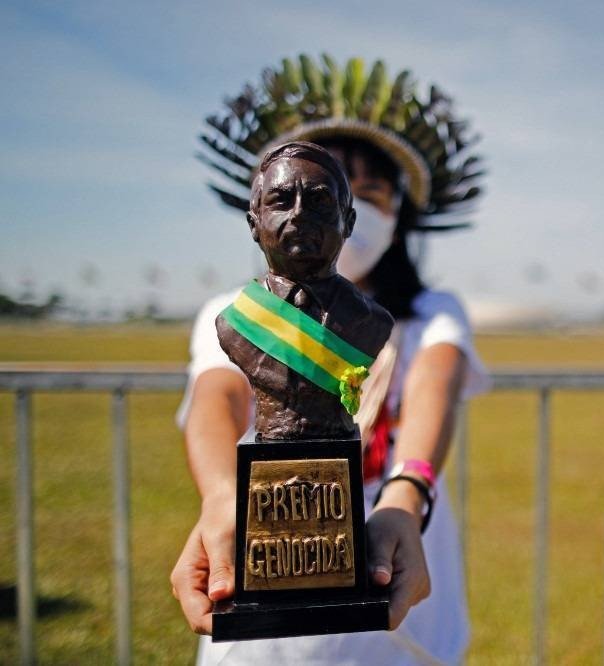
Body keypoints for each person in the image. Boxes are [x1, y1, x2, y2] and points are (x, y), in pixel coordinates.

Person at [170, 54, 489, 665]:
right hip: (269, 551)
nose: (302, 216)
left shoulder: (423, 314)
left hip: (393, 562)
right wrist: (220, 497)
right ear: (257, 215)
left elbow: (433, 389)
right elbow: (216, 398)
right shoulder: (235, 314)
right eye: (286, 197)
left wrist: (404, 498)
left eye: (367, 193)